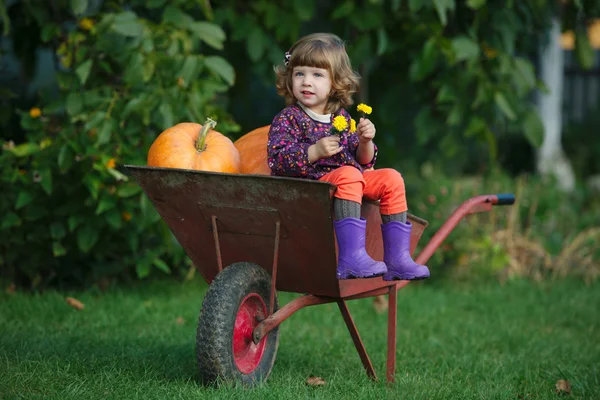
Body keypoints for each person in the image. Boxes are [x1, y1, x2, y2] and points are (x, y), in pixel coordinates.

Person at [267, 33, 429, 281]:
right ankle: (351, 257)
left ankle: (397, 259)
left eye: (317, 75)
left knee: (392, 179)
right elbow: (277, 160)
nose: (306, 82)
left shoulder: (341, 119)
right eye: (300, 74)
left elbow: (364, 161)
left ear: (336, 82)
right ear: (290, 79)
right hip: (311, 189)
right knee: (350, 174)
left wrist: (366, 142)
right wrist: (315, 151)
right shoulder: (288, 119)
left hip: (350, 182)